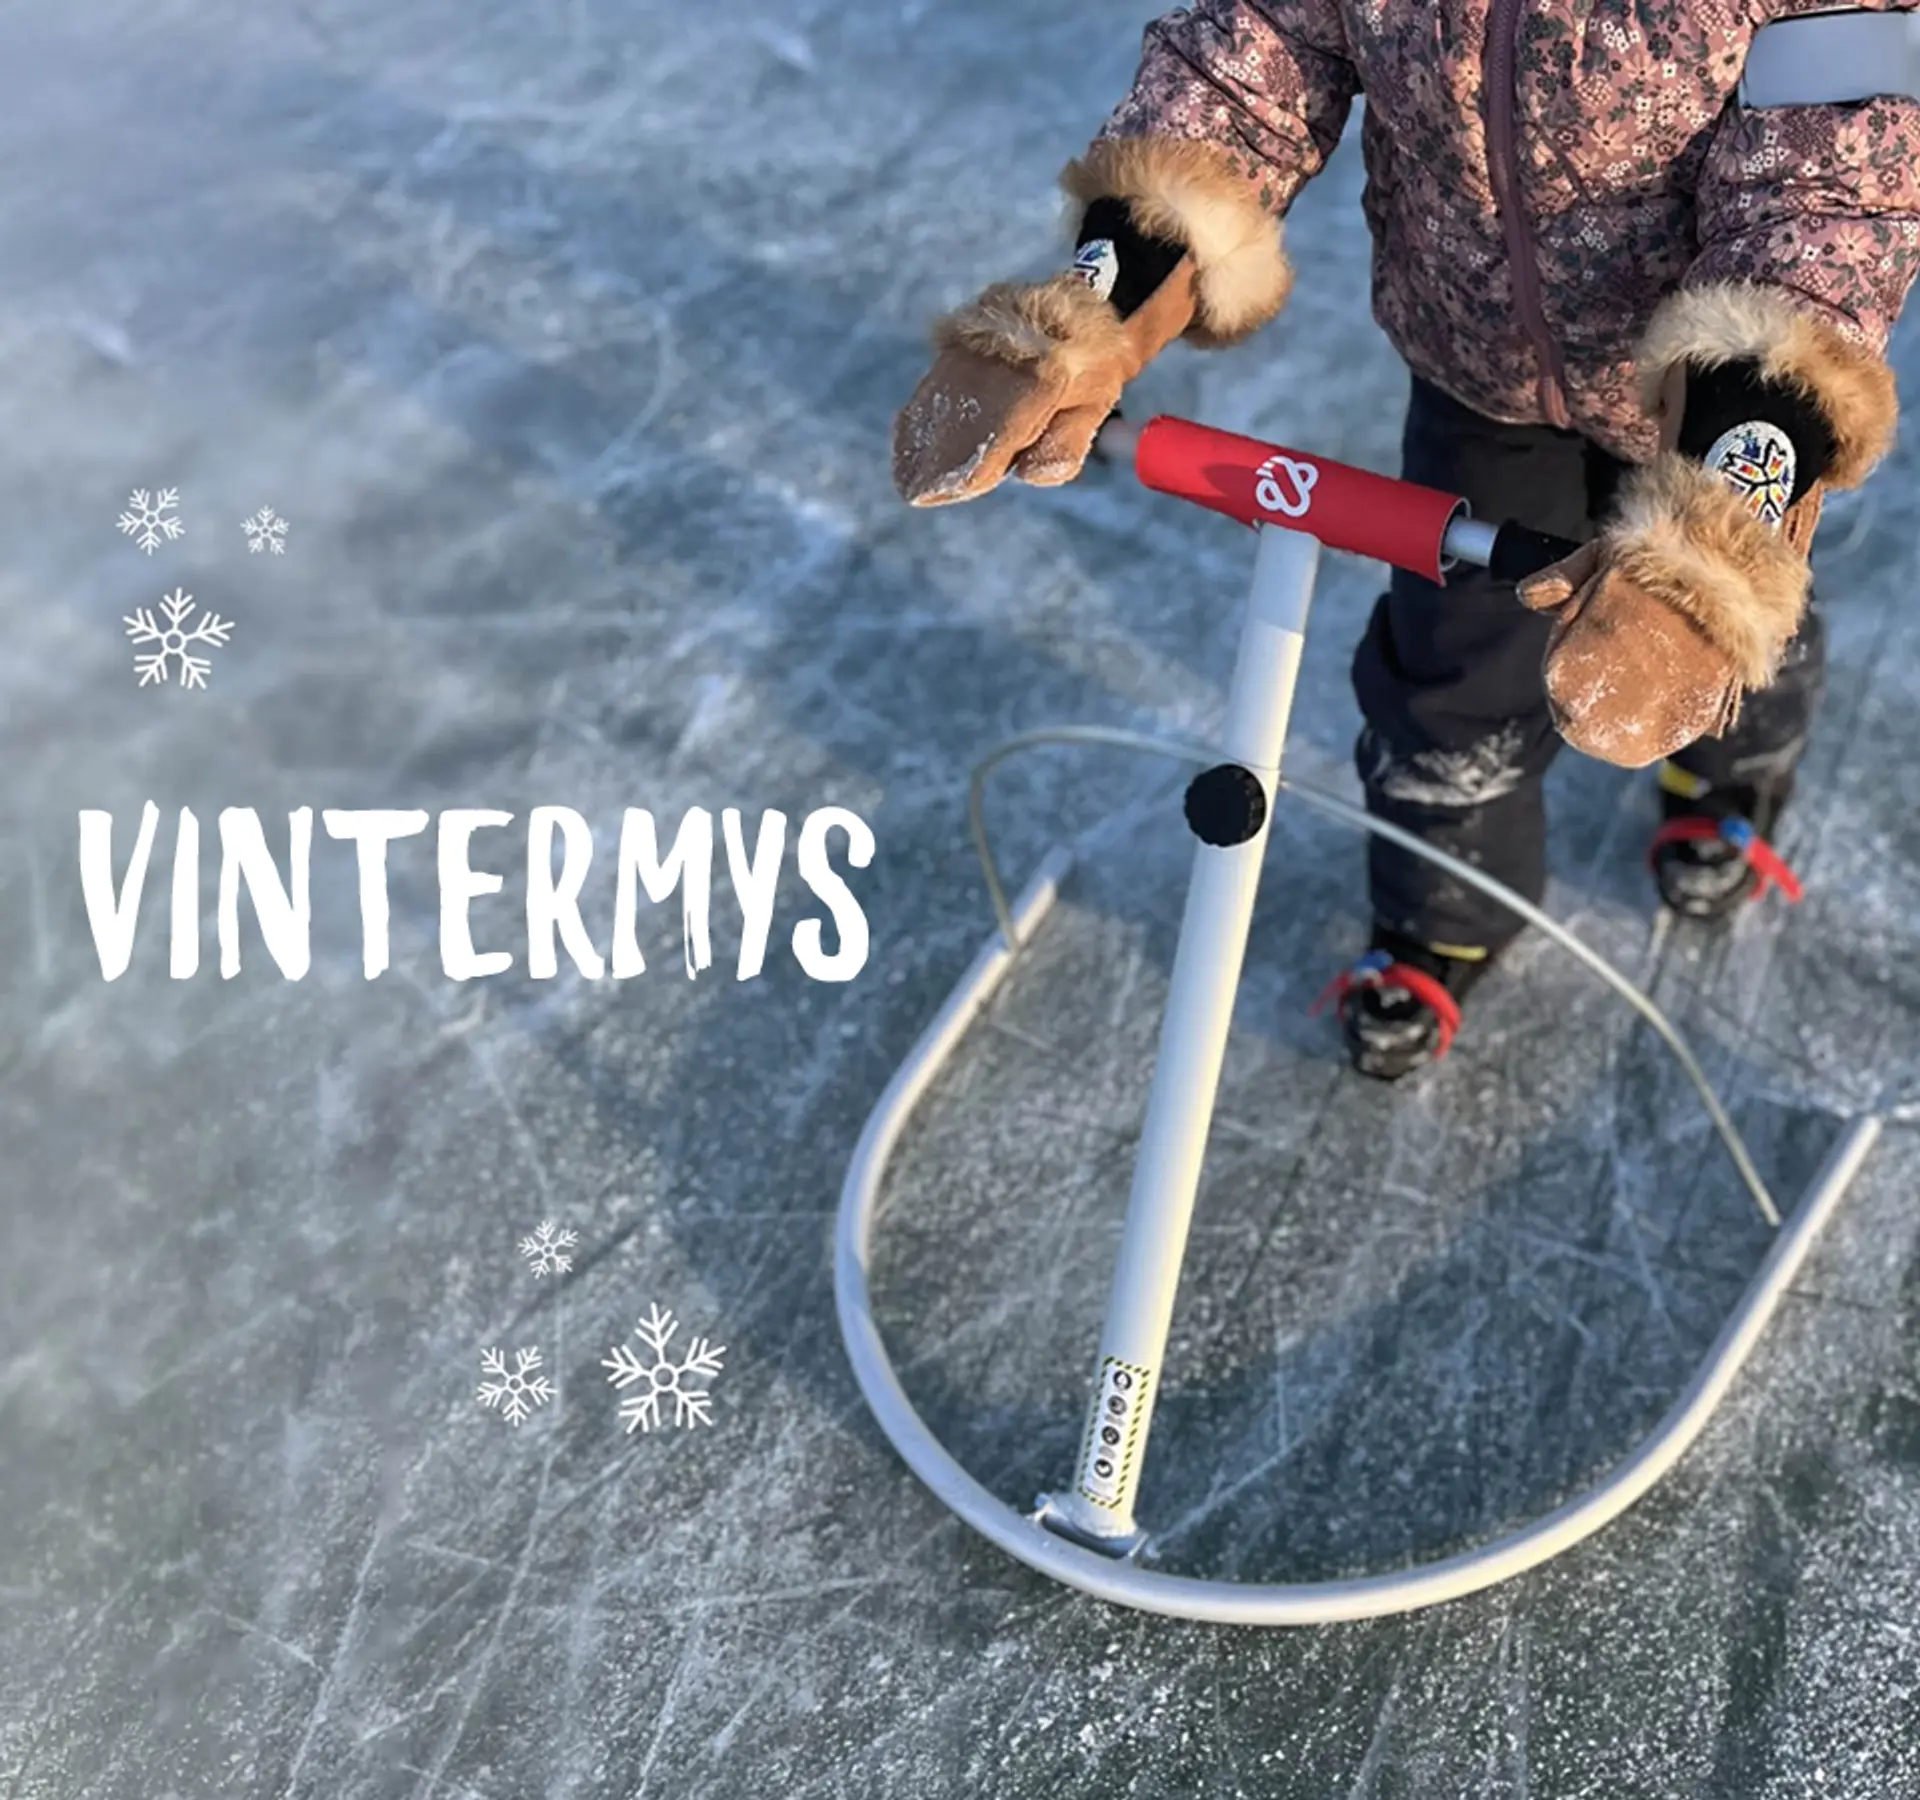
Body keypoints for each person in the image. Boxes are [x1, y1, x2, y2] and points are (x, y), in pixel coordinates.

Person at [890, 1, 1920, 1079]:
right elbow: (1257, 52)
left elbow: (1828, 192)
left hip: (1714, 406)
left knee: (1693, 630)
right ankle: (1446, 911)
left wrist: (1725, 512)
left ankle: (1730, 778)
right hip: (1477, 372)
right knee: (1450, 664)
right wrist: (1100, 298)